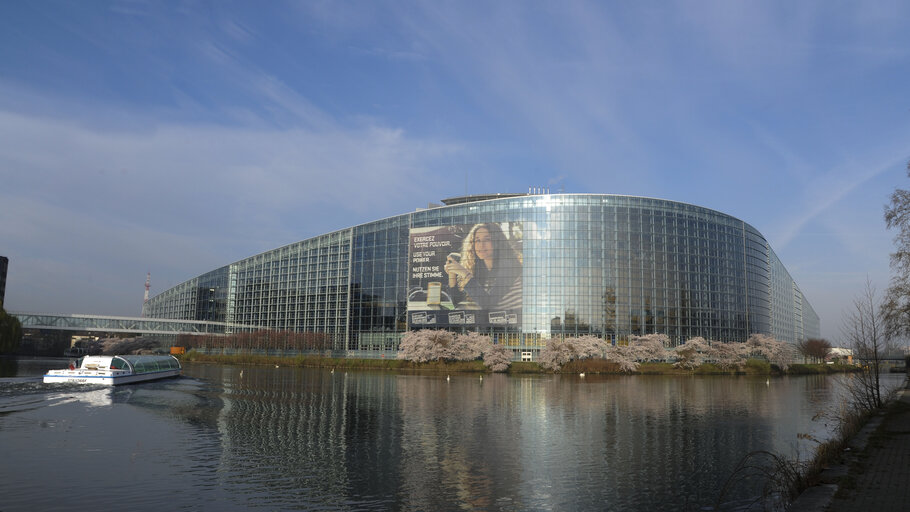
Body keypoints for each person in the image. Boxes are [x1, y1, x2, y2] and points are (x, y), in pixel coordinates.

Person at [444, 223, 522, 311]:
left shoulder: (510, 266)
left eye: (487, 239)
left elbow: (488, 304)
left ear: (497, 242)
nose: (481, 245)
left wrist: (465, 274)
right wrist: (452, 274)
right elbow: (459, 304)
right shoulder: (482, 270)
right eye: (477, 240)